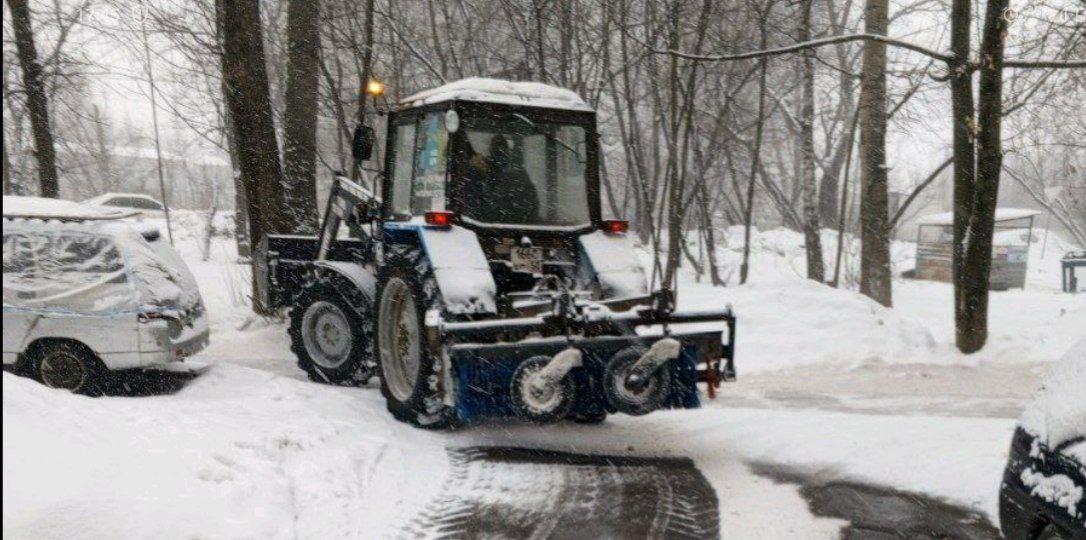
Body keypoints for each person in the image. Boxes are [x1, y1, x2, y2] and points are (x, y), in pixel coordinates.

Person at [459, 134, 539, 224]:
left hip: (487, 224)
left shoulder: (478, 173)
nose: (499, 152)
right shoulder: (518, 173)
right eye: (497, 148)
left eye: (501, 148)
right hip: (510, 224)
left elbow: (473, 205)